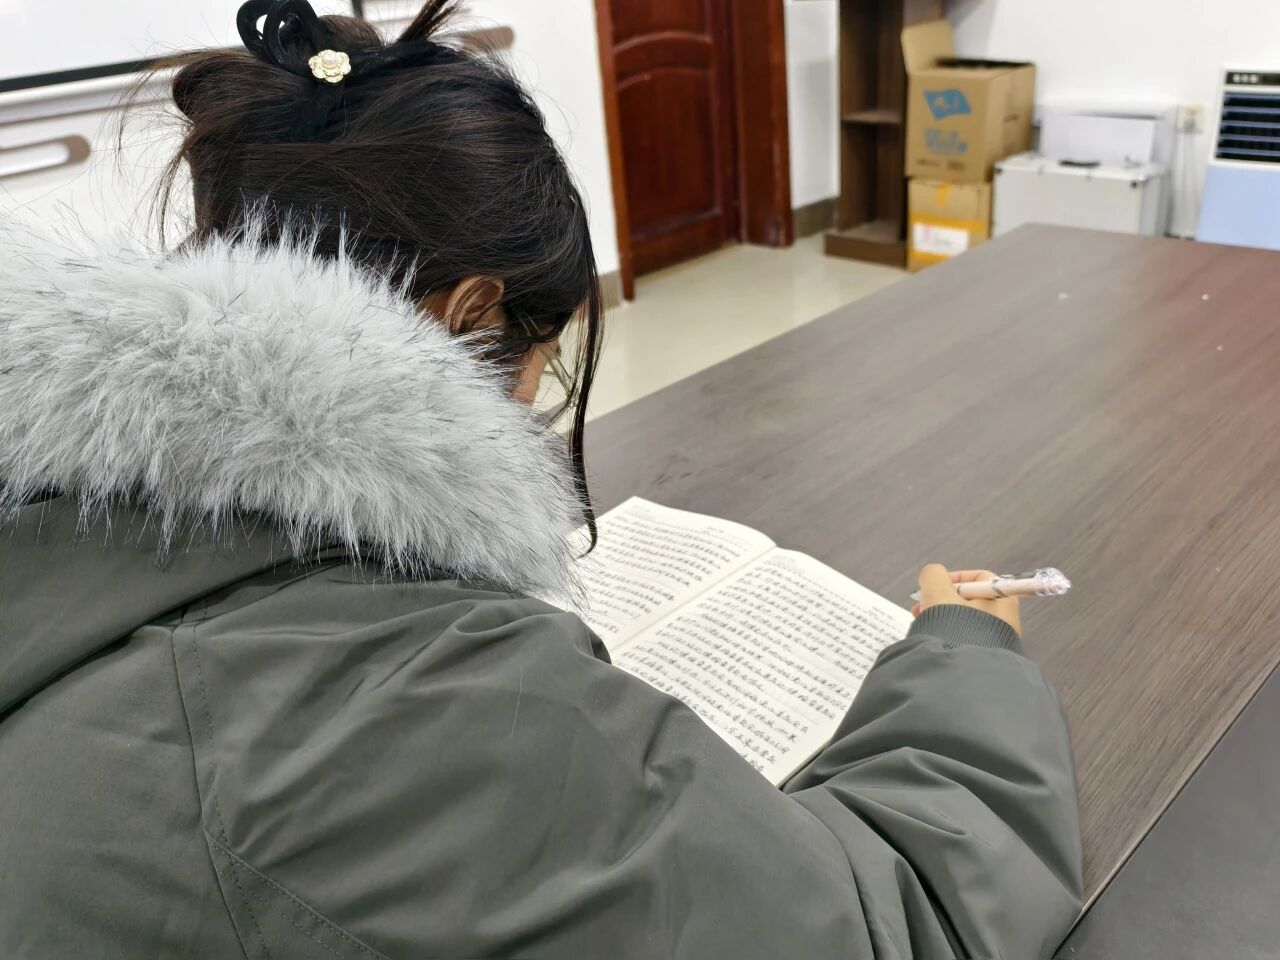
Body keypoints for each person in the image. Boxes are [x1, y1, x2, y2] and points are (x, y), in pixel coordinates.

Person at [0, 1, 1082, 957]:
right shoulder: (420, 702)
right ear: (470, 316)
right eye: (544, 360)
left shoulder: (61, 516)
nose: (537, 402)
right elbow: (890, 926)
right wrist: (965, 657)